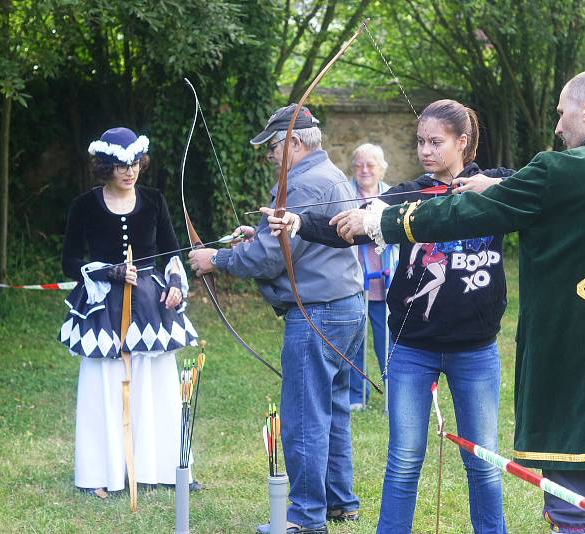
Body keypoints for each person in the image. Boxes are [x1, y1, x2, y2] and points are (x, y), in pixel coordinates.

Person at [337, 70, 585, 534]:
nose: (557, 126)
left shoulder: (557, 169)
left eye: (561, 113)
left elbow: (464, 212)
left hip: (568, 361)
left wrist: (383, 224)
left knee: (573, 496)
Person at [263, 100, 513, 533]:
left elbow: (545, 184)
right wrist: (300, 224)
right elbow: (351, 226)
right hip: (413, 347)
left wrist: (488, 187)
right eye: (420, 142)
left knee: (483, 462)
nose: (426, 151)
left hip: (475, 349)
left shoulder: (497, 186)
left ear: (463, 142)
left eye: (436, 142)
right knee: (403, 462)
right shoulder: (406, 194)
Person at [188, 104, 365, 534]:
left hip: (318, 312)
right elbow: (283, 242)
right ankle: (340, 503)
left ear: (295, 144)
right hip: (346, 306)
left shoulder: (301, 184)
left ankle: (305, 518)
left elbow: (270, 259)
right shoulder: (329, 175)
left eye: (273, 146)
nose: (269, 154)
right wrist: (256, 235)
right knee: (333, 409)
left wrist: (217, 259)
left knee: (305, 416)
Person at [58, 127, 199, 496]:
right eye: (121, 165)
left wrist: (175, 284)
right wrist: (108, 271)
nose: (129, 171)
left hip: (151, 308)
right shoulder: (84, 205)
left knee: (157, 386)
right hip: (104, 308)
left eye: (135, 163)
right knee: (103, 386)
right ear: (105, 167)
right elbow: (69, 262)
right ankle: (99, 474)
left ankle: (165, 470)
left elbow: (170, 251)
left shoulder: (154, 200)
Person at [347, 143, 397, 411]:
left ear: (381, 169)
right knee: (355, 341)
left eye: (370, 165)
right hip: (352, 282)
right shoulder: (345, 195)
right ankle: (357, 394)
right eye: (359, 165)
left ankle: (393, 394)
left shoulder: (391, 195)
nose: (364, 170)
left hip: (384, 283)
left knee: (386, 341)